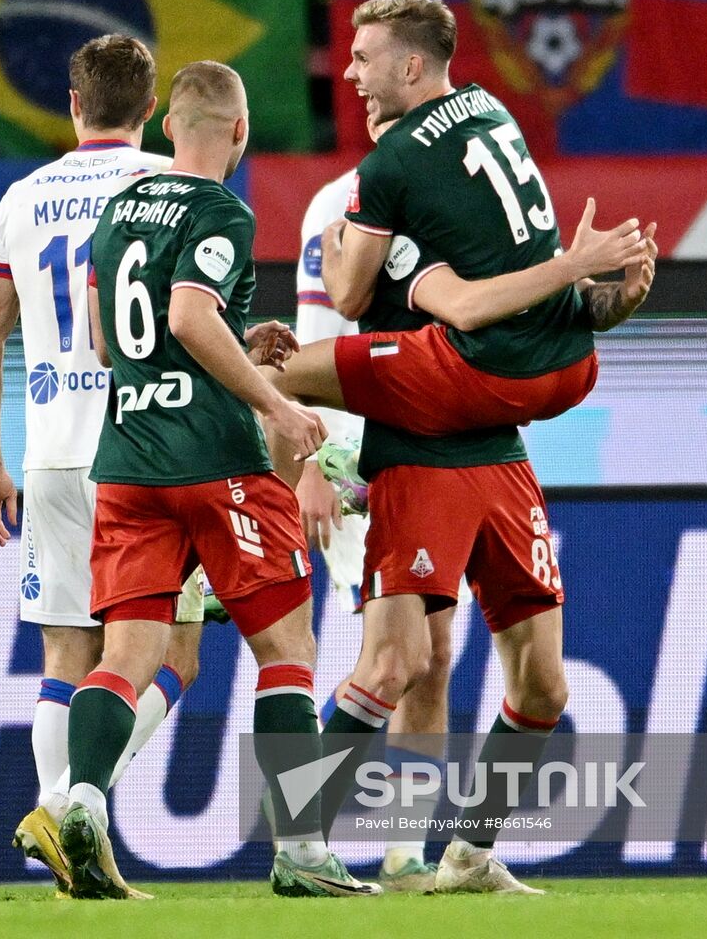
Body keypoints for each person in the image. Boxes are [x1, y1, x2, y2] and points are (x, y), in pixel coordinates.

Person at [293, 0, 656, 895]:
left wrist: (583, 283)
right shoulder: (483, 115)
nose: (351, 73)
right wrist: (584, 288)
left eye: (366, 56)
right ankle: (299, 841)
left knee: (542, 688)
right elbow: (418, 296)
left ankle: (465, 851)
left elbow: (361, 290)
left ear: (411, 66)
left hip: (487, 430)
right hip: (423, 443)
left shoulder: (393, 175)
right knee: (397, 662)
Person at [56, 60, 377, 900]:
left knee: (127, 655)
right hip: (217, 462)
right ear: (239, 131)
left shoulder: (119, 210)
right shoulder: (222, 212)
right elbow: (190, 315)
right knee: (287, 647)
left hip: (128, 460)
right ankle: (302, 852)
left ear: (169, 125)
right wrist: (272, 402)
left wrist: (243, 339)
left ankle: (81, 798)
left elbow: (103, 339)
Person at [0, 33, 203, 895]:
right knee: (173, 650)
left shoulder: (22, 199)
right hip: (151, 449)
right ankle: (72, 803)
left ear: (71, 104)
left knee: (69, 652)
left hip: (52, 454)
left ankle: (57, 822)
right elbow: (189, 322)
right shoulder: (171, 189)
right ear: (150, 112)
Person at [293, 114, 459, 893]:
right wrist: (314, 465)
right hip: (361, 465)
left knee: (433, 659)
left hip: (432, 458)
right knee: (396, 658)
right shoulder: (337, 205)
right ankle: (303, 832)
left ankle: (402, 852)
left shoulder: (450, 196)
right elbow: (313, 341)